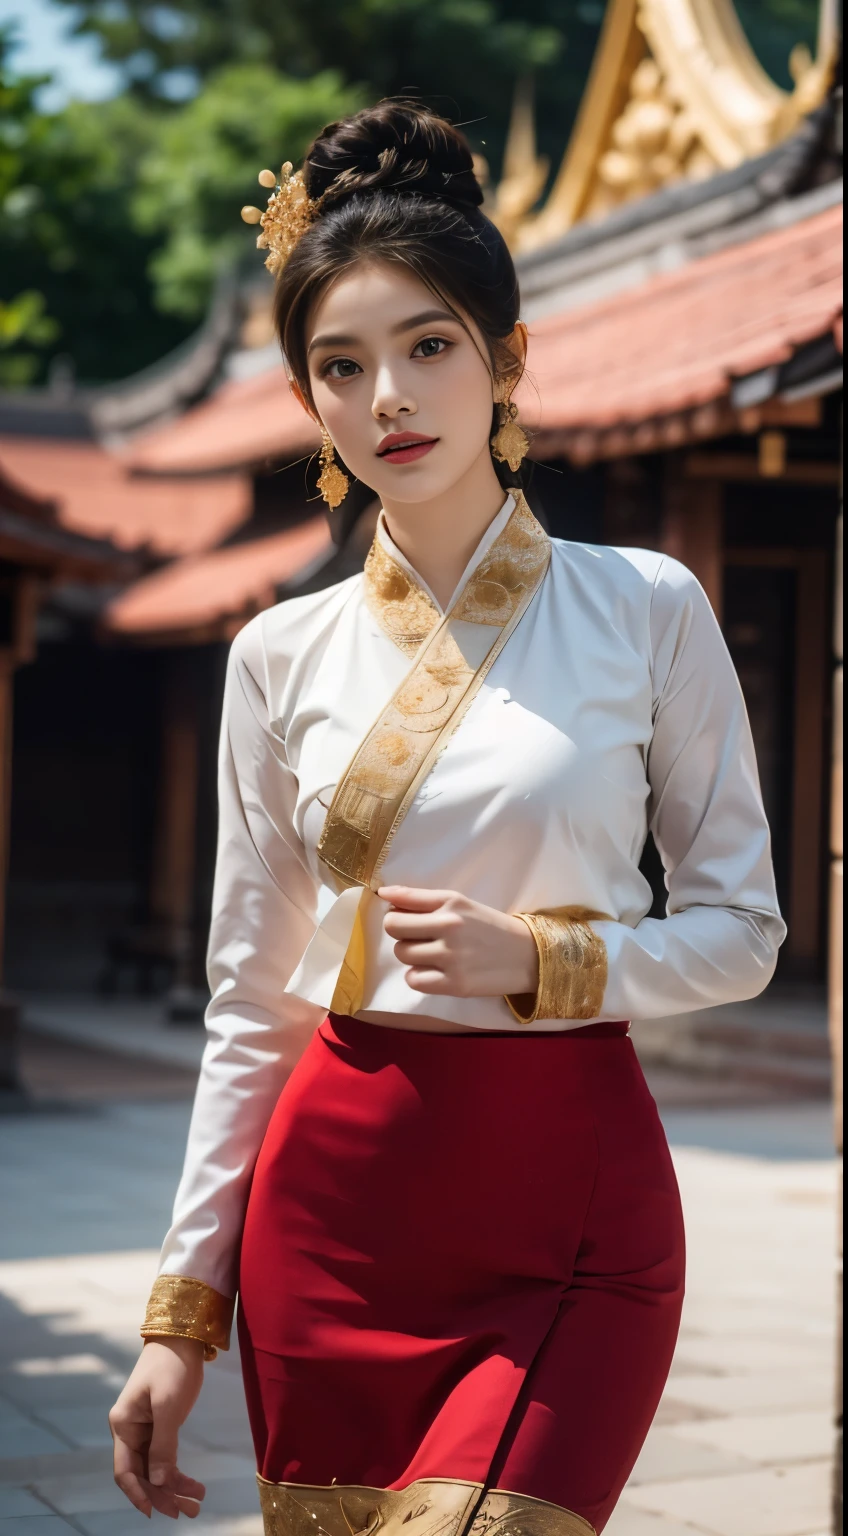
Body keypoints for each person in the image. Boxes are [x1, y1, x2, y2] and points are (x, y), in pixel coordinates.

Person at [109, 101, 785, 1535]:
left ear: (508, 360)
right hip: (335, 1222)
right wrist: (182, 1314)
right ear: (308, 403)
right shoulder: (276, 657)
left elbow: (742, 932)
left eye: (427, 347)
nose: (388, 400)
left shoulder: (646, 606)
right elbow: (249, 1003)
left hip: (573, 1210)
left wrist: (553, 961)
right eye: (340, 367)